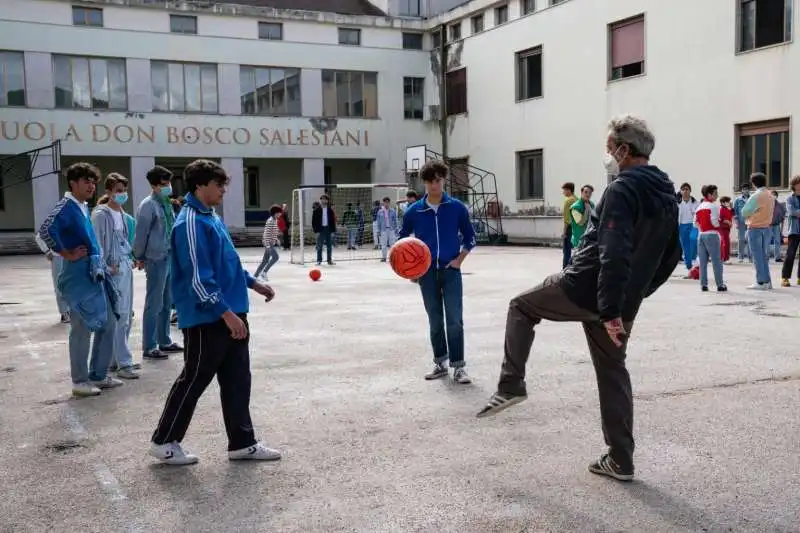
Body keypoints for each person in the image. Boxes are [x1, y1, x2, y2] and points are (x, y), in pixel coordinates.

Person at [477, 115, 680, 483]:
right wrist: (633, 296)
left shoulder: (621, 189)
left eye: (609, 149)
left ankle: (510, 385)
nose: (608, 156)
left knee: (521, 306)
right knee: (612, 373)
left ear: (624, 149)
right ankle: (621, 460)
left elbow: (613, 251)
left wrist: (610, 309)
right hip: (618, 301)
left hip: (585, 289)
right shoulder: (667, 194)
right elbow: (672, 256)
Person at [149, 159, 280, 466]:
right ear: (199, 186)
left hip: (231, 310)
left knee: (237, 379)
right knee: (194, 379)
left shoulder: (211, 217)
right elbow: (198, 278)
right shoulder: (191, 222)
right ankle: (164, 440)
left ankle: (242, 442)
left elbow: (228, 263)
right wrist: (226, 314)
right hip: (208, 317)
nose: (224, 190)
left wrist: (253, 284)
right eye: (218, 184)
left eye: (224, 185)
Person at [37, 163, 124, 397]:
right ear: (73, 183)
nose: (91, 186)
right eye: (86, 181)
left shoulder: (83, 206)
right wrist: (65, 253)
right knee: (81, 327)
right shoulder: (65, 206)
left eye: (93, 182)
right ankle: (79, 380)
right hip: (77, 275)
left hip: (95, 272)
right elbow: (44, 231)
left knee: (109, 322)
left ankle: (98, 374)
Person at [399, 160, 476, 384]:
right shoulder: (414, 211)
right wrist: (410, 270)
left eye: (438, 180)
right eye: (430, 180)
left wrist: (459, 261)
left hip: (451, 271)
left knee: (455, 320)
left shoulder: (457, 208)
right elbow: (402, 241)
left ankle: (459, 367)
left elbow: (470, 237)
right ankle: (440, 363)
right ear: (424, 182)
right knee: (435, 319)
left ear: (443, 180)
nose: (435, 184)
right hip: (426, 274)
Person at [91, 173, 140, 379]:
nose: (122, 194)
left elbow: (124, 241)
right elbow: (97, 243)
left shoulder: (122, 214)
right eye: (118, 190)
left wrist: (132, 256)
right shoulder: (101, 215)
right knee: (118, 315)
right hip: (112, 269)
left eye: (124, 190)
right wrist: (103, 267)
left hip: (124, 265)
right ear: (108, 191)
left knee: (126, 314)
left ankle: (115, 359)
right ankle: (123, 363)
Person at [133, 166, 183, 360]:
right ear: (153, 185)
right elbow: (141, 233)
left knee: (166, 302)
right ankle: (149, 345)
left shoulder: (166, 203)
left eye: (169, 183)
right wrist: (139, 255)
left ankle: (165, 340)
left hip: (169, 255)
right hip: (155, 258)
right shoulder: (148, 205)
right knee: (154, 303)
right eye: (163, 184)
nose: (167, 187)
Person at [741, 172, 775, 290]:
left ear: (753, 183)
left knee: (757, 257)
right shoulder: (770, 195)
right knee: (764, 256)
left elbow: (744, 212)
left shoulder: (756, 196)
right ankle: (767, 281)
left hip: (755, 228)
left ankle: (760, 282)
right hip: (767, 228)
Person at [694, 185, 727, 292]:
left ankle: (703, 284)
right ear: (709, 194)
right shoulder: (714, 206)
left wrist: (702, 228)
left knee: (703, 262)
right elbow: (715, 222)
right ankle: (720, 284)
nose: (717, 196)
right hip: (712, 235)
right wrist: (723, 223)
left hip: (701, 235)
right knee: (716, 261)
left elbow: (695, 223)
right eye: (715, 193)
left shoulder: (699, 207)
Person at [35, 233, 70, 323]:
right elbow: (39, 237)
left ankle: (71, 310)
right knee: (59, 285)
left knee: (71, 284)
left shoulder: (73, 219)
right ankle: (64, 312)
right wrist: (47, 251)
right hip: (58, 256)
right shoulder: (51, 221)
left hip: (72, 256)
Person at [254, 205, 283, 281]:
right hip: (268, 243)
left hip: (270, 243)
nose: (280, 214)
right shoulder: (270, 221)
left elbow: (272, 232)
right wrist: (267, 245)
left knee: (265, 261)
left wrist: (276, 239)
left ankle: (255, 277)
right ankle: (264, 272)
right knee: (276, 257)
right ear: (275, 213)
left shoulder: (275, 220)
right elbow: (266, 234)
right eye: (279, 213)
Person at [781, 176, 800, 287]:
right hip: (794, 230)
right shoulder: (790, 198)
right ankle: (785, 278)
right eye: (798, 183)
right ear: (794, 185)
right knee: (790, 254)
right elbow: (792, 212)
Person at [677, 183, 699, 275]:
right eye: (683, 189)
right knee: (685, 247)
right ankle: (689, 266)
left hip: (693, 226)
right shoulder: (677, 203)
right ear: (681, 191)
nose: (685, 191)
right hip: (682, 226)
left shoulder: (695, 202)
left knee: (693, 241)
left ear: (690, 191)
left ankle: (693, 260)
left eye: (687, 189)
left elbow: (698, 215)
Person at [311, 194, 336, 265]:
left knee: (329, 246)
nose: (323, 200)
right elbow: (313, 222)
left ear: (327, 201)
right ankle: (319, 260)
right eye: (322, 199)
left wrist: (333, 231)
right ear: (320, 200)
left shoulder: (330, 210)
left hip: (328, 229)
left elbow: (332, 221)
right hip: (320, 230)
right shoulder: (316, 210)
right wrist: (316, 231)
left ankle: (329, 260)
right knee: (319, 246)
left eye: (325, 199)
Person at [569, 185, 595, 250]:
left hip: (589, 240)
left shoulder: (591, 204)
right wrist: (586, 210)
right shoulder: (575, 207)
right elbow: (580, 222)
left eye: (590, 193)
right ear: (581, 192)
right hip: (579, 240)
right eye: (586, 192)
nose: (588, 194)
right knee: (578, 259)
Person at [733, 182, 752, 263]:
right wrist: (736, 222)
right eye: (744, 189)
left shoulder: (752, 199)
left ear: (749, 190)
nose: (746, 191)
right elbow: (735, 212)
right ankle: (740, 256)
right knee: (741, 239)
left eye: (747, 189)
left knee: (750, 239)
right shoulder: (738, 200)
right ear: (741, 191)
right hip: (741, 222)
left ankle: (751, 257)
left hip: (751, 222)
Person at [375, 196, 398, 262]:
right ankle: (384, 257)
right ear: (383, 203)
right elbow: (378, 222)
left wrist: (396, 229)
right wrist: (378, 231)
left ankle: (392, 257)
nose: (386, 204)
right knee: (383, 244)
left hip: (391, 230)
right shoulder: (380, 212)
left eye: (388, 202)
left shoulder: (393, 211)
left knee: (392, 244)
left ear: (389, 203)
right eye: (385, 202)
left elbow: (395, 221)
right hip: (383, 230)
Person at [561, 182, 577, 269]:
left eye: (564, 190)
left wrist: (564, 232)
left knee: (567, 250)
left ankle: (565, 269)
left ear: (569, 190)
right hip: (577, 228)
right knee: (576, 249)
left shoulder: (568, 201)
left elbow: (567, 219)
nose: (563, 192)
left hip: (569, 228)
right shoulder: (577, 199)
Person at [769, 190, 785, 262]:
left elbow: (782, 217)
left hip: (776, 225)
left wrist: (781, 229)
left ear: (777, 196)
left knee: (777, 241)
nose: (773, 196)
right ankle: (766, 256)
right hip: (768, 225)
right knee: (767, 241)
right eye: (772, 195)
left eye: (775, 195)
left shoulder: (780, 205)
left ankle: (777, 257)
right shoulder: (767, 204)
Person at [718, 196, 734, 263]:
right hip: (723, 228)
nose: (728, 203)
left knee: (725, 243)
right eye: (727, 201)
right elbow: (721, 219)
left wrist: (731, 207)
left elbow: (732, 213)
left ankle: (725, 258)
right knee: (725, 243)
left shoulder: (727, 209)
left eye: (729, 201)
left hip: (727, 228)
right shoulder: (721, 209)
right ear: (722, 202)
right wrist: (728, 222)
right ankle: (724, 259)